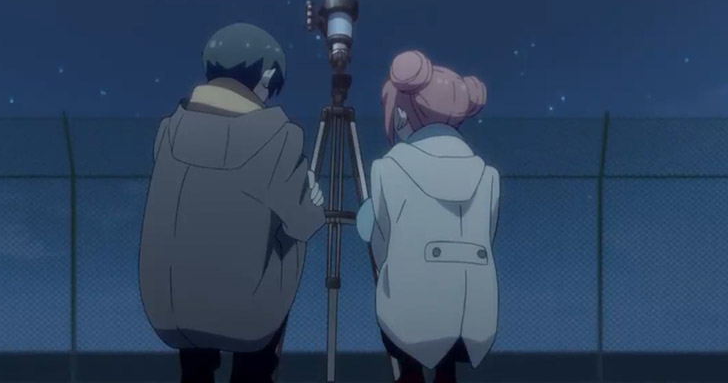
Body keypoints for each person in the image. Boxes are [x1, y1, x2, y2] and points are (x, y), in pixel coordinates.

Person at [138, 22, 326, 383]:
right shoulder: (280, 137)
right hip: (247, 321)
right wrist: (311, 199)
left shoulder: (168, 130)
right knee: (287, 233)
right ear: (266, 76)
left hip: (168, 313)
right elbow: (305, 222)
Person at [356, 50, 501, 383]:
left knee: (407, 349)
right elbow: (486, 236)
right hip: (474, 319)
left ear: (402, 115)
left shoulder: (386, 170)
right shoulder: (488, 176)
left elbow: (379, 246)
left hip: (412, 318)